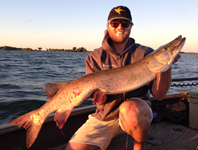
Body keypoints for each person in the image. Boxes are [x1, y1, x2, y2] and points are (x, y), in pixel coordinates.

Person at [65, 5, 180, 150]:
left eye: (125, 23)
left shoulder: (146, 53)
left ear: (131, 26)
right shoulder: (94, 58)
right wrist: (97, 95)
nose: (120, 27)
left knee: (129, 109)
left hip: (136, 111)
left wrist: (167, 65)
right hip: (105, 115)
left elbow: (160, 95)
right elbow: (100, 102)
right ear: (108, 26)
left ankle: (139, 145)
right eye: (115, 23)